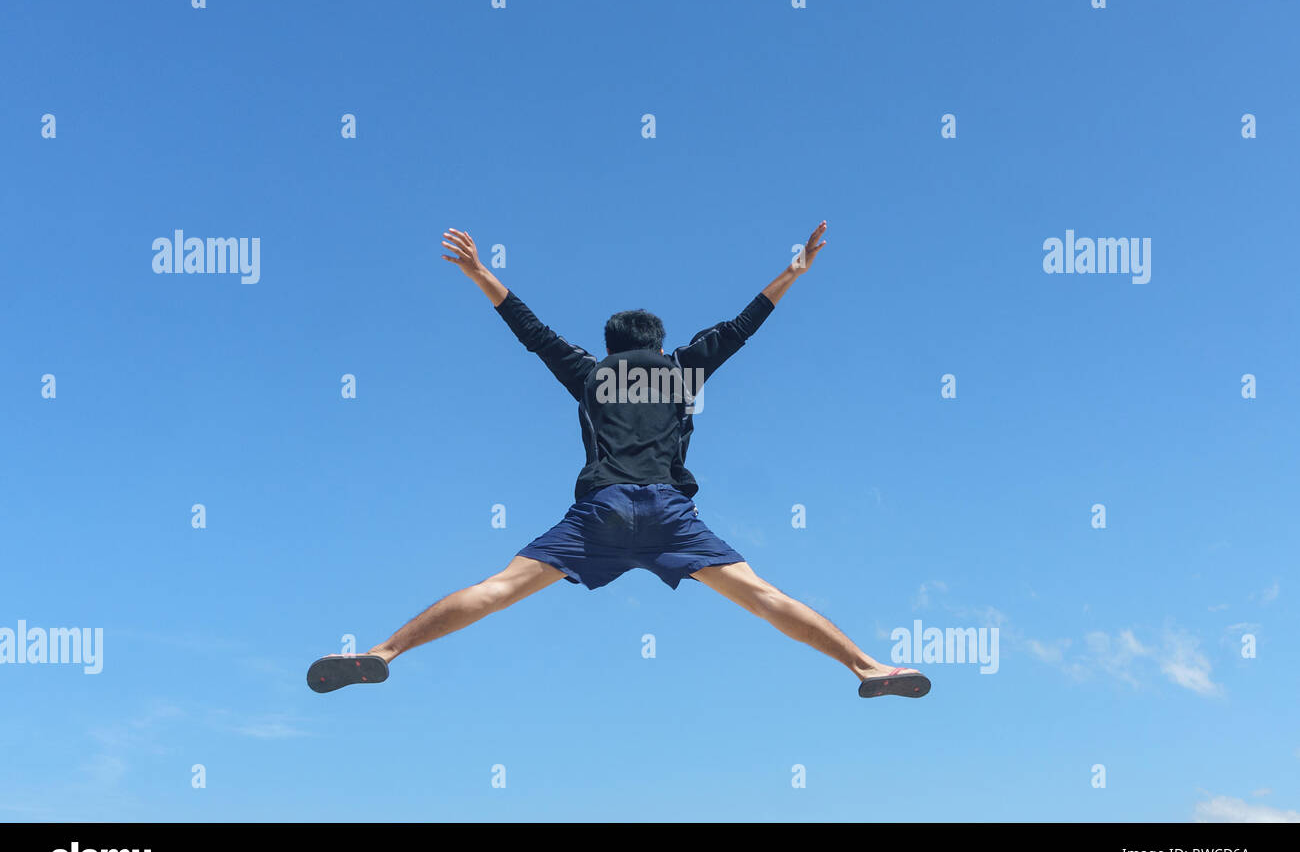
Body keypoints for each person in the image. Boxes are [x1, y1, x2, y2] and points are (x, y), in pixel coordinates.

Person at [307, 221, 929, 700]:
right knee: (763, 597)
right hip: (667, 511)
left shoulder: (590, 372)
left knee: (498, 589)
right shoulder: (683, 369)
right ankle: (868, 666)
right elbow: (746, 324)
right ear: (659, 343)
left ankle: (385, 652)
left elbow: (531, 330)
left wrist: (478, 271)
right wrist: (795, 267)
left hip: (600, 512)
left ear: (610, 347)